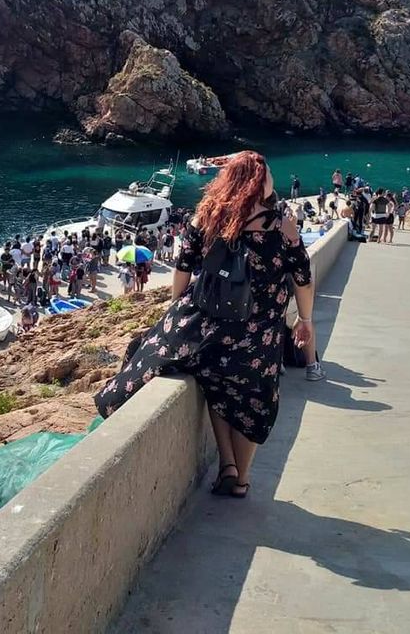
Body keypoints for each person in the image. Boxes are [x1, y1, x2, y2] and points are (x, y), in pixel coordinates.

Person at [96, 151, 314, 499]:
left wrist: (175, 309)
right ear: (262, 183)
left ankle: (227, 465)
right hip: (259, 332)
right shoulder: (281, 226)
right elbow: (302, 277)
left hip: (210, 325)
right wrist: (305, 321)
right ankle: (240, 478)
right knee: (252, 403)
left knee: (215, 384)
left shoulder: (209, 216)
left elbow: (184, 265)